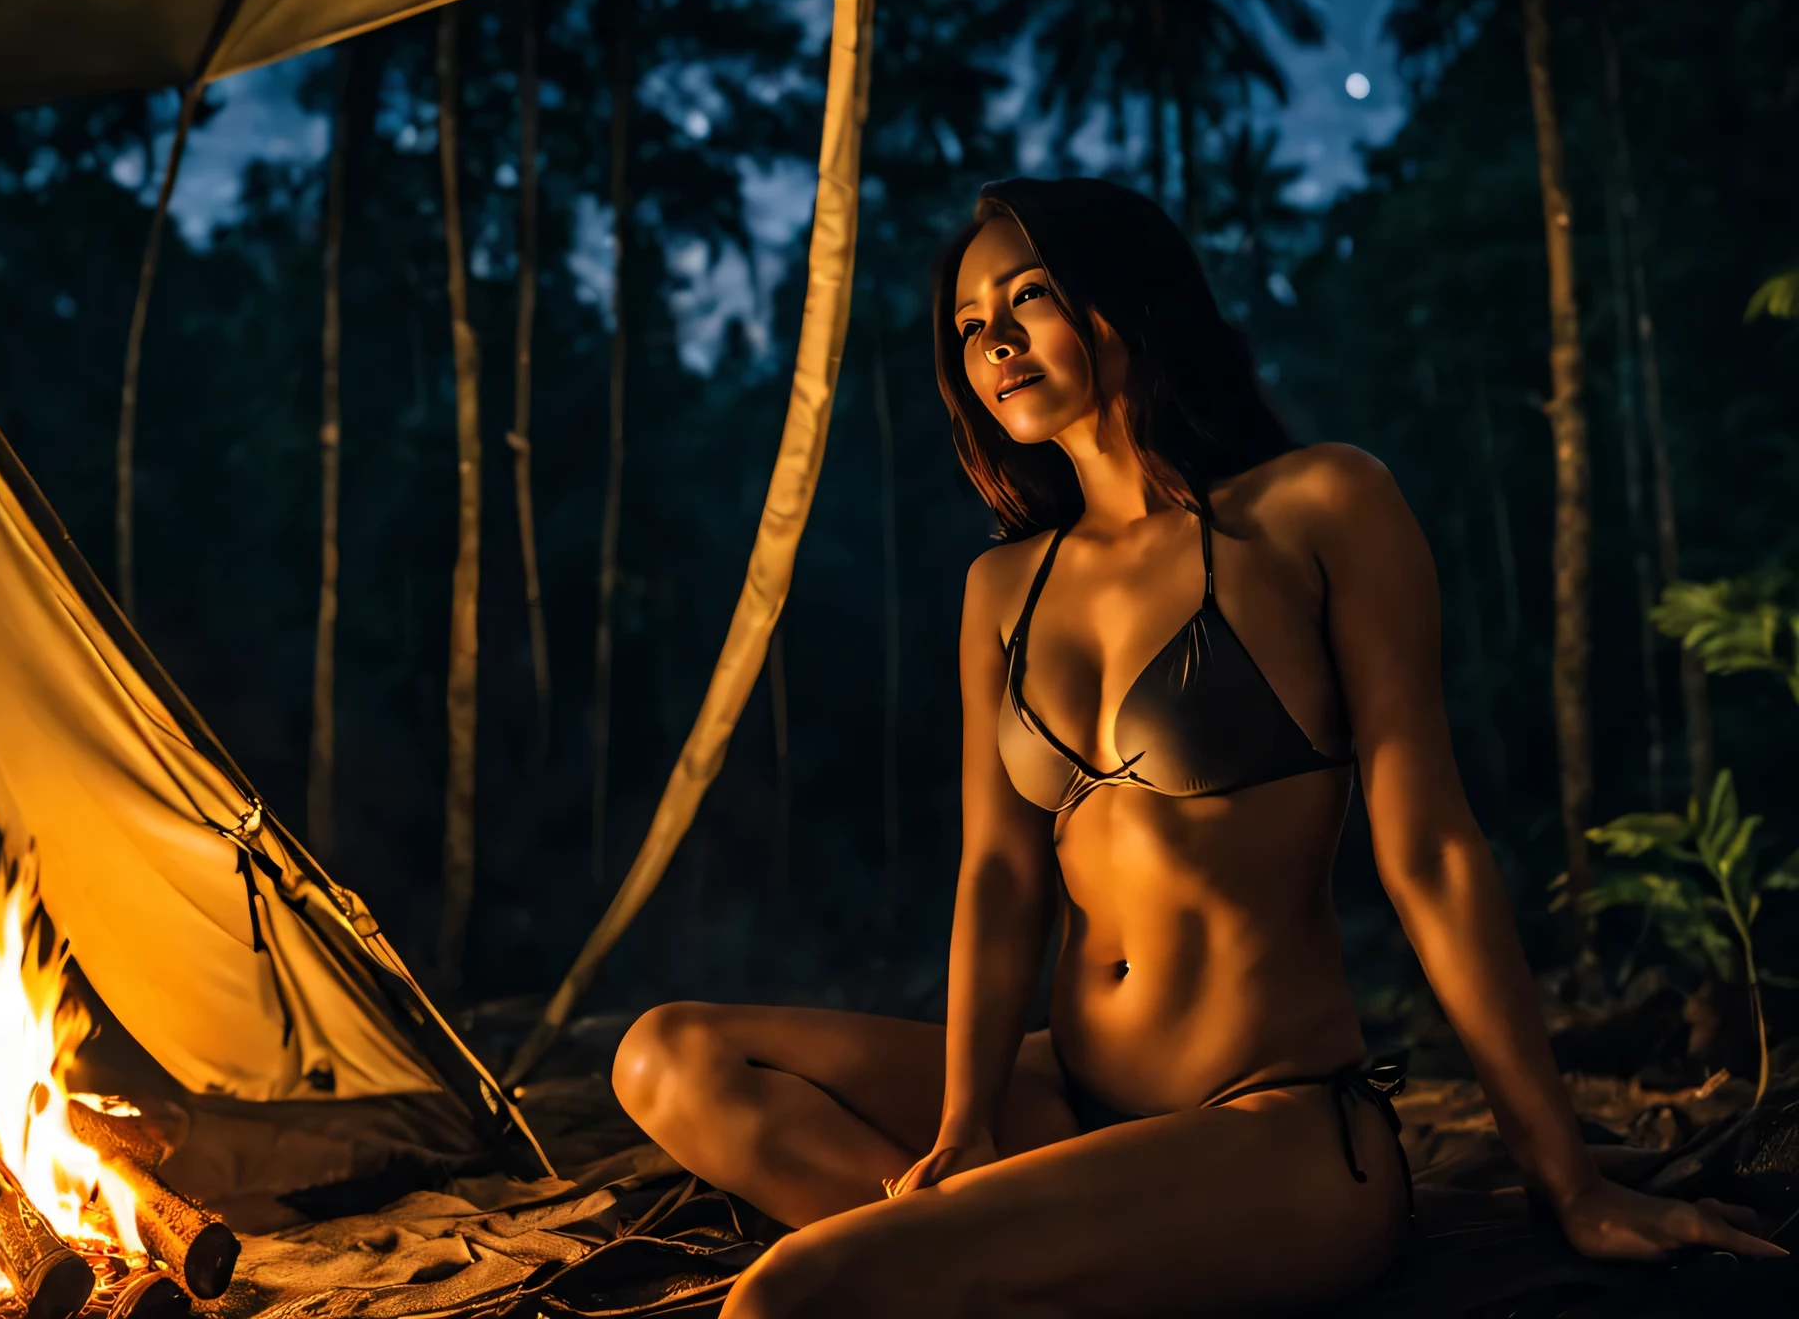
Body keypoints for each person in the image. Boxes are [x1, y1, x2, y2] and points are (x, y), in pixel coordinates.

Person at [610, 179, 1783, 1315]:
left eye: (1026, 298)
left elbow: (1429, 855)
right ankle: (980, 1260)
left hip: (1270, 1127)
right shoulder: (1001, 587)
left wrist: (1566, 1178)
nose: (993, 343)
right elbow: (1001, 875)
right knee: (666, 1055)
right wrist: (966, 1125)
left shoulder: (1320, 508)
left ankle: (947, 1263)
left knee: (790, 1296)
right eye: (970, 325)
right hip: (1062, 1097)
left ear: (1128, 298)